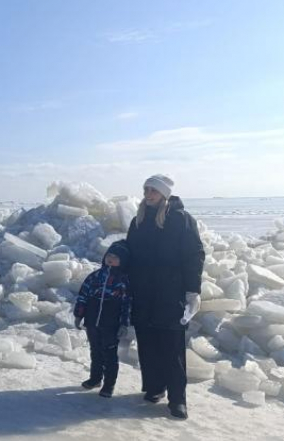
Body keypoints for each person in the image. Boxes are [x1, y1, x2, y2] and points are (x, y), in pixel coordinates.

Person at [126, 175, 205, 420]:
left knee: (171, 346)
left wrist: (193, 291)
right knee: (147, 344)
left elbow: (194, 255)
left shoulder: (181, 220)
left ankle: (177, 399)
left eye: (154, 191)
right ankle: (155, 387)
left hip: (170, 293)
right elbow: (129, 252)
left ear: (164, 194)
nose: (149, 194)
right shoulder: (138, 219)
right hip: (142, 292)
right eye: (146, 190)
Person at [73, 240, 131, 398]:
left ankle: (109, 384)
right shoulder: (95, 277)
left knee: (110, 354)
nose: (111, 259)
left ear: (123, 261)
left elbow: (126, 304)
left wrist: (124, 324)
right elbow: (83, 296)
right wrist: (79, 314)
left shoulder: (123, 282)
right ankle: (95, 378)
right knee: (95, 351)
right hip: (92, 322)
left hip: (110, 324)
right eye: (109, 255)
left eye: (116, 257)